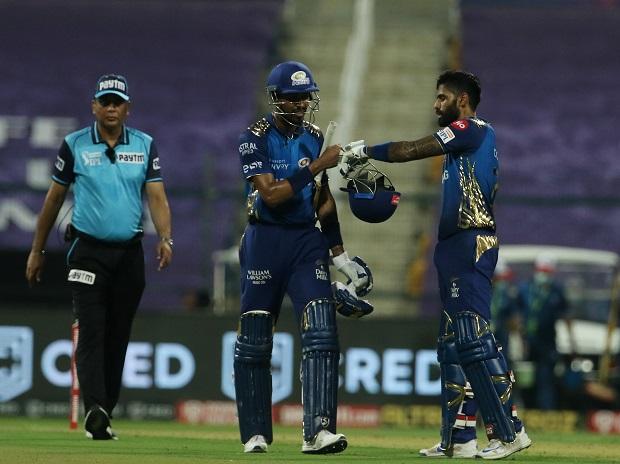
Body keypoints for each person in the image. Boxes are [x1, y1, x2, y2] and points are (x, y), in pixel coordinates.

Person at [341, 70, 531, 459]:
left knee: (474, 338)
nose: (435, 104)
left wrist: (364, 151)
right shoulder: (462, 145)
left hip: (471, 241)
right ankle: (458, 439)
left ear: (462, 100)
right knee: (450, 345)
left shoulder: (470, 129)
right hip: (452, 245)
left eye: (442, 97)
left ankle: (510, 432)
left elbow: (411, 149)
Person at [234, 60, 371, 455]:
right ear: (276, 98)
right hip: (264, 238)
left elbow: (323, 201)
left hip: (305, 241)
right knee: (256, 341)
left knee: (323, 333)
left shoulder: (313, 136)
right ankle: (255, 432)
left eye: (304, 97)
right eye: (292, 98)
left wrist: (340, 258)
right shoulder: (253, 138)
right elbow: (273, 195)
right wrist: (316, 165)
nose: (300, 104)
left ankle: (319, 432)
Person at [25, 74, 172, 440]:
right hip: (87, 252)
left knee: (118, 335)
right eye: (104, 101)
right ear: (93, 106)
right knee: (92, 331)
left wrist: (166, 238)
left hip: (128, 255)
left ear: (127, 108)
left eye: (117, 102)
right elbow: (53, 200)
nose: (110, 108)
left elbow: (156, 196)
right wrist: (37, 249)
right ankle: (95, 407)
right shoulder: (74, 145)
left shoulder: (144, 144)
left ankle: (104, 410)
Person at [516, 253, 572, 410]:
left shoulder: (557, 291)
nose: (543, 274)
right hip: (528, 342)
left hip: (547, 342)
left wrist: (572, 343)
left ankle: (545, 413)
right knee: (526, 380)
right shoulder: (525, 289)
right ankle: (528, 411)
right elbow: (517, 316)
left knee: (546, 379)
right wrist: (520, 340)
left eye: (546, 271)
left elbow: (566, 315)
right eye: (541, 270)